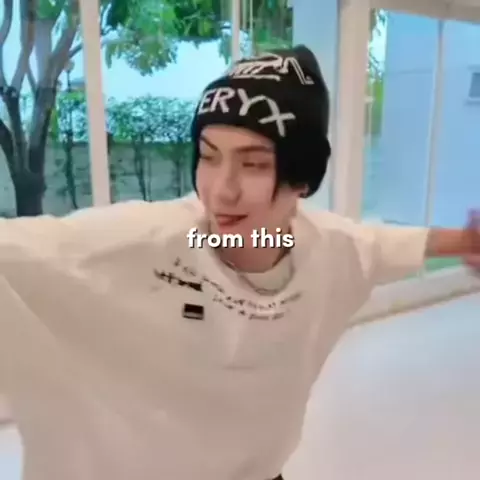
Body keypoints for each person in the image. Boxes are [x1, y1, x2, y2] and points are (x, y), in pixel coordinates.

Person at [0, 45, 479, 480]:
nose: (221, 191)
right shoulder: (147, 240)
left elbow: (381, 242)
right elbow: (31, 247)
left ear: (302, 179)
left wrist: (465, 241)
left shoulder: (326, 246)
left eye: (253, 164)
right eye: (209, 157)